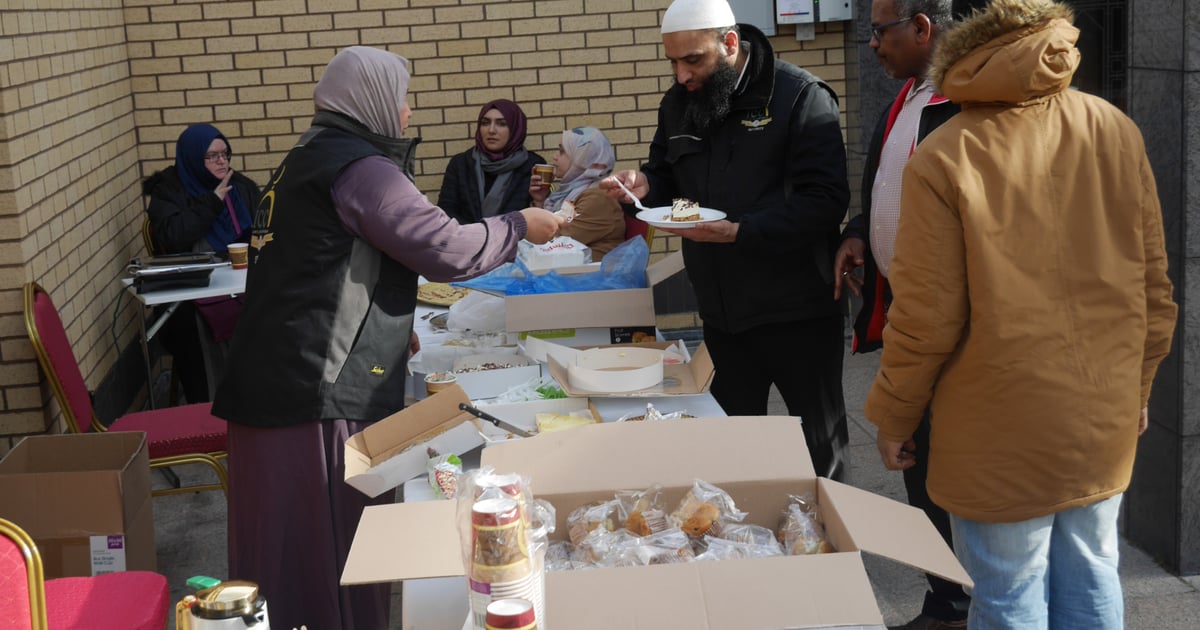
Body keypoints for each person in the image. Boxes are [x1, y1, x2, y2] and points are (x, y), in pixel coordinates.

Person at [210, 46, 564, 630]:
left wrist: (388, 329)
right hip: (311, 397)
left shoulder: (304, 157)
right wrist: (521, 225)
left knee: (282, 551)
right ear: (370, 99)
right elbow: (444, 247)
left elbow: (325, 267)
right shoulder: (360, 168)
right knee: (326, 551)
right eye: (400, 98)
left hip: (270, 381)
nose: (405, 113)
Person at [863, 1, 1177, 628]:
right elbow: (1152, 290)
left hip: (995, 423)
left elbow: (927, 316)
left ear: (963, 53)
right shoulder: (1115, 128)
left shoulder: (948, 153)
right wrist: (1137, 387)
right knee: (1093, 569)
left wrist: (895, 414)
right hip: (1099, 411)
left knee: (1008, 592)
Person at [602, 0, 852, 479]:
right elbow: (672, 181)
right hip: (720, 314)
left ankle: (837, 551)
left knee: (821, 451)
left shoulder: (799, 96)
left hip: (797, 312)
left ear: (730, 44)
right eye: (673, 62)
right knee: (733, 453)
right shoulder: (680, 104)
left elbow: (825, 201)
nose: (681, 75)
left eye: (692, 60)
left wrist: (742, 231)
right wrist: (646, 186)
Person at [834, 2, 967, 628]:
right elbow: (886, 184)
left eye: (879, 32)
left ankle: (969, 598)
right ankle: (944, 598)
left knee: (947, 463)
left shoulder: (963, 103)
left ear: (922, 28)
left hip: (954, 329)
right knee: (917, 459)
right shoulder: (905, 99)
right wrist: (861, 232)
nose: (870, 45)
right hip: (907, 313)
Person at [143, 124, 261, 403]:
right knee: (197, 329)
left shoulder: (241, 187)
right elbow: (172, 237)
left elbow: (264, 227)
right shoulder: (169, 192)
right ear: (194, 159)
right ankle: (212, 404)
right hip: (193, 294)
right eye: (212, 156)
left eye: (225, 154)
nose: (222, 161)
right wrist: (212, 202)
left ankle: (263, 397)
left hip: (241, 281)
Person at [438, 99, 544, 224]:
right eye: (485, 123)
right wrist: (476, 236)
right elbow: (446, 211)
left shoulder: (533, 165)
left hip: (518, 241)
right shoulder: (461, 164)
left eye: (502, 124)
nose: (491, 130)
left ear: (516, 128)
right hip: (468, 240)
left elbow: (540, 215)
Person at [529, 126, 626, 260]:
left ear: (582, 158)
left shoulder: (598, 197)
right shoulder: (574, 192)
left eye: (562, 151)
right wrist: (540, 201)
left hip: (592, 276)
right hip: (572, 272)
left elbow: (556, 242)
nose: (555, 157)